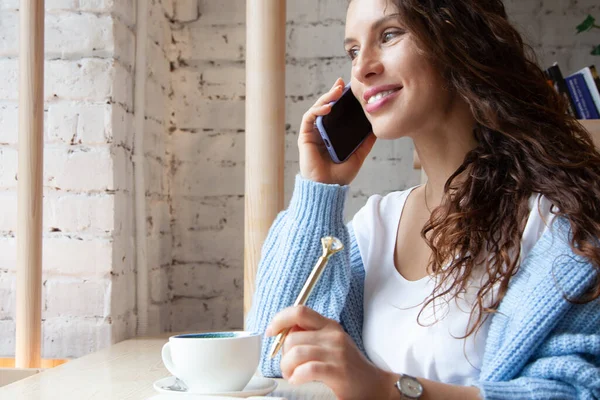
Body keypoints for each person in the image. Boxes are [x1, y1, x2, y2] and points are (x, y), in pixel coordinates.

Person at [246, 0, 600, 398]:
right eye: (353, 51)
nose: (362, 69)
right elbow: (269, 352)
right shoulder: (377, 224)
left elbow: (578, 390)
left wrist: (389, 390)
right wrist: (319, 191)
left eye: (390, 34)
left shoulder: (559, 225)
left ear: (457, 38)